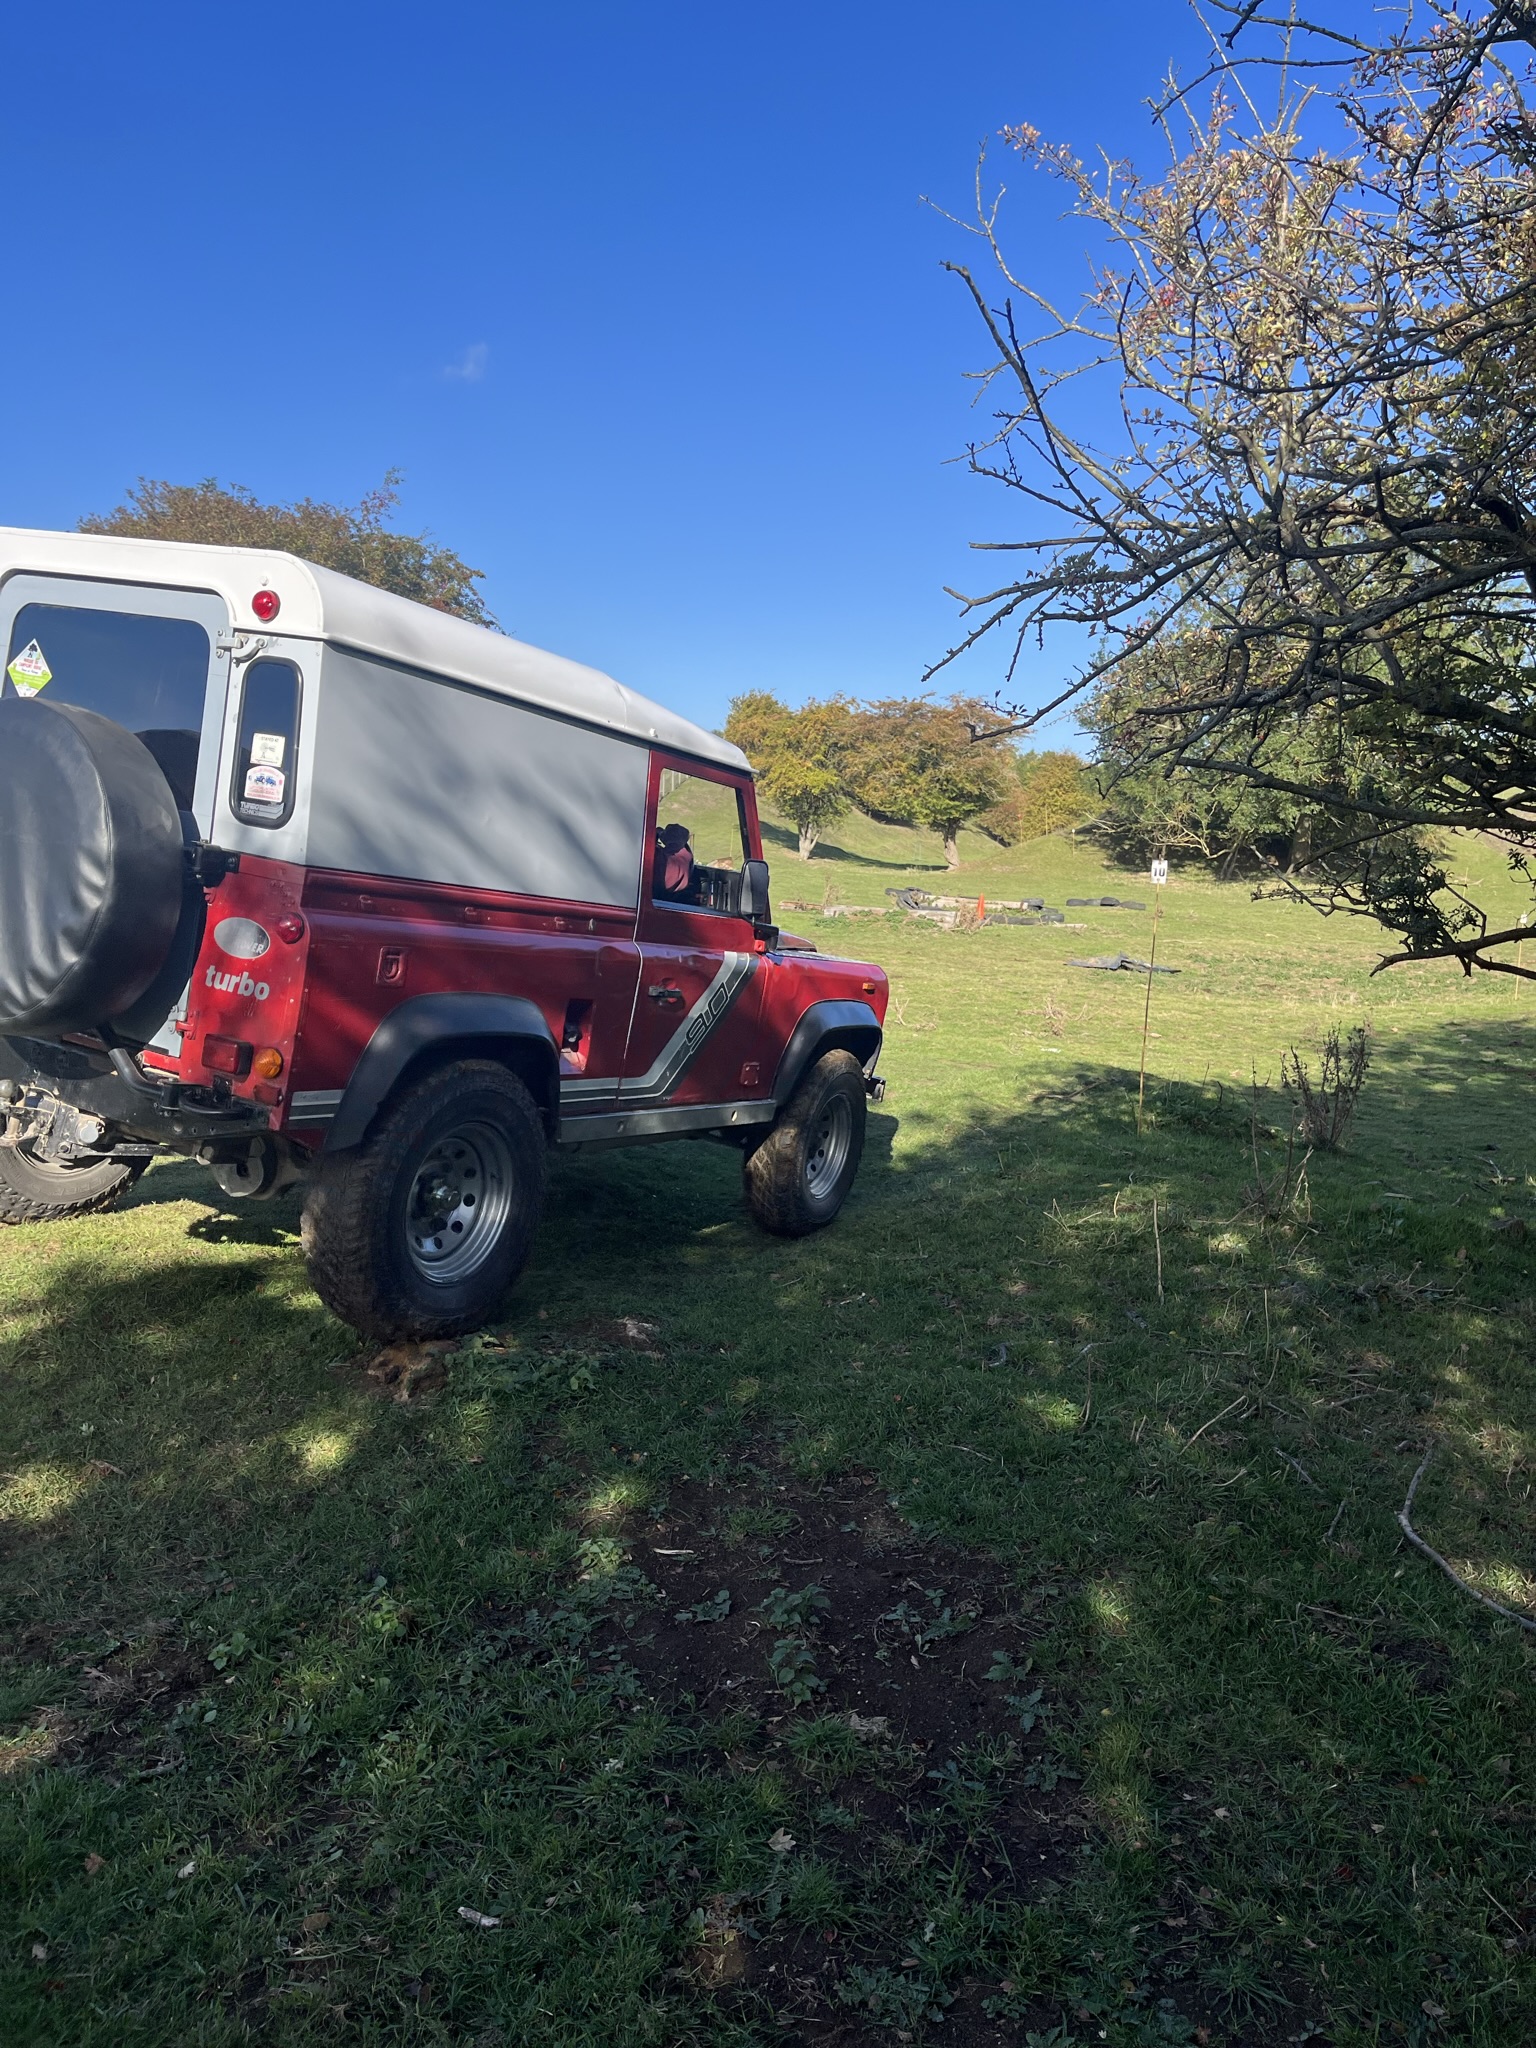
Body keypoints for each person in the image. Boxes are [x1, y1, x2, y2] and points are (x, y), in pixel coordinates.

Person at [654, 822, 695, 901]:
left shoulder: (660, 856)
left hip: (658, 888)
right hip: (667, 892)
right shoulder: (686, 856)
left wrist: (657, 835)